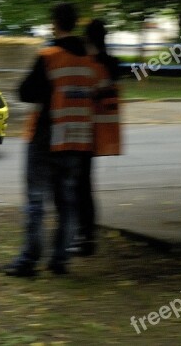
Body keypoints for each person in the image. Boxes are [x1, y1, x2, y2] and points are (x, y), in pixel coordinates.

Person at [4, 2, 100, 277]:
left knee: (36, 200)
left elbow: (25, 92)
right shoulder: (90, 60)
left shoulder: (49, 56)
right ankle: (59, 260)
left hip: (47, 135)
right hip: (78, 139)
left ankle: (29, 261)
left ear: (55, 23)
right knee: (67, 201)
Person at [69, 19, 122, 257]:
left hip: (84, 130)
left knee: (80, 187)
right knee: (85, 186)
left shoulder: (93, 65)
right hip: (97, 133)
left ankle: (84, 238)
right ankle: (85, 236)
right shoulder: (110, 64)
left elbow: (87, 93)